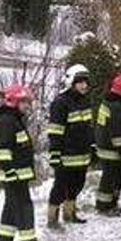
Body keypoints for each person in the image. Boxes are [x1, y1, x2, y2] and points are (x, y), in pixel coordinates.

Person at [0, 84, 41, 241]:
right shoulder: (8, 121)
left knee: (12, 206)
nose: (27, 105)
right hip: (14, 174)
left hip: (17, 174)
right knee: (24, 206)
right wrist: (10, 171)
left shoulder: (14, 120)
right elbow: (2, 150)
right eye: (24, 102)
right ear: (14, 102)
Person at [47, 64, 94, 228]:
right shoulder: (60, 103)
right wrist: (55, 153)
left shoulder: (85, 101)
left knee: (77, 185)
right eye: (80, 82)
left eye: (85, 82)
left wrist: (92, 146)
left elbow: (88, 127)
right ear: (71, 82)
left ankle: (69, 213)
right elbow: (55, 131)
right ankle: (52, 218)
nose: (84, 86)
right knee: (60, 187)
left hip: (81, 154)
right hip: (66, 155)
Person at [95, 74, 121, 215]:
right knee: (113, 176)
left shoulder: (107, 102)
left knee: (111, 175)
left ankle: (107, 203)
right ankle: (106, 206)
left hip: (104, 146)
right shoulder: (117, 107)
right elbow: (118, 134)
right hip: (112, 149)